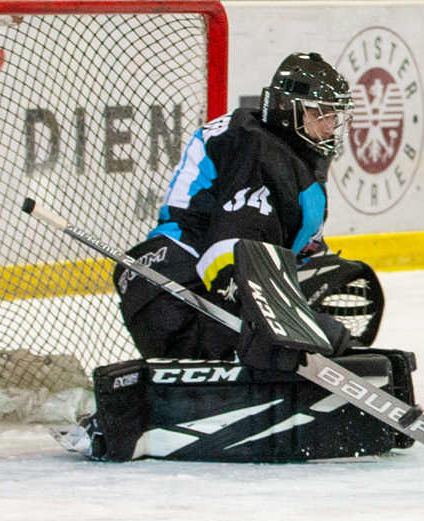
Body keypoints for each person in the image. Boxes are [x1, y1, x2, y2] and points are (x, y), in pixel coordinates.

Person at [114, 52, 361, 366]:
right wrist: (290, 324)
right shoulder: (257, 151)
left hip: (180, 287)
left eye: (335, 116)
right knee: (280, 359)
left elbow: (267, 245)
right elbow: (229, 253)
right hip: (175, 292)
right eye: (322, 114)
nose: (331, 126)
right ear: (289, 111)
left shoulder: (282, 155)